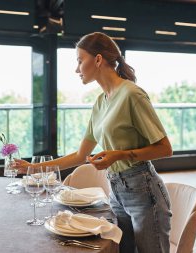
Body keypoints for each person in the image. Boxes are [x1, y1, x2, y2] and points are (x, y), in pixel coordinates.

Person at [14, 32, 173, 253]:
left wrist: (120, 155)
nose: (77, 69)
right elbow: (80, 155)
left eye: (80, 60)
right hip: (115, 190)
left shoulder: (132, 95)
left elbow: (165, 149)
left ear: (98, 59)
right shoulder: (100, 102)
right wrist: (33, 168)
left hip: (143, 191)